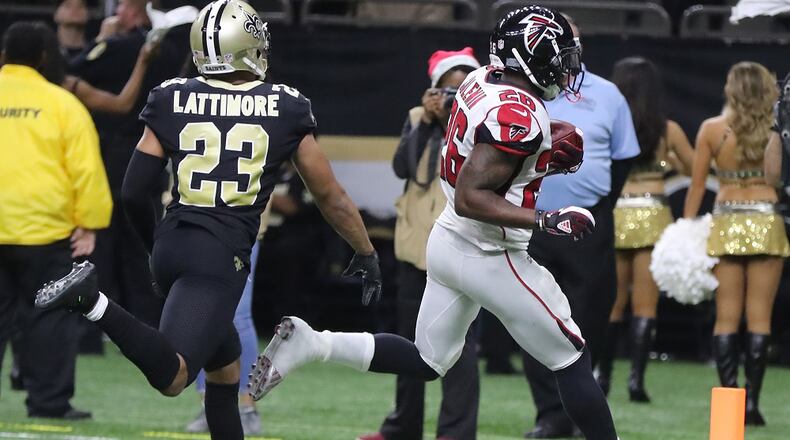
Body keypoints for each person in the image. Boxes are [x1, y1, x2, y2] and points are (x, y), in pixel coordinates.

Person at [248, 7, 619, 440]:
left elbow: (487, 157)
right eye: (556, 56)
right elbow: (471, 195)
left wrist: (540, 157)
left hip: (446, 243)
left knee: (428, 361)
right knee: (570, 355)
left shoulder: (480, 79)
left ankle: (315, 343)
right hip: (491, 252)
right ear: (528, 56)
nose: (563, 67)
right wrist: (546, 218)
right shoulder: (517, 114)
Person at [35, 2, 382, 439]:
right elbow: (331, 196)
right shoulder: (286, 105)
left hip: (173, 239)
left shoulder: (172, 95)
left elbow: (134, 191)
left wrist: (152, 247)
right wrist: (366, 251)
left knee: (224, 370)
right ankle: (93, 302)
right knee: (175, 377)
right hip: (219, 259)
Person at [520, 14, 639, 439]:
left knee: (586, 320)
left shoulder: (608, 95)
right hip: (530, 224)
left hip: (588, 226)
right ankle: (550, 415)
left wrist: (597, 204)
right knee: (533, 319)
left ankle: (581, 413)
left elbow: (625, 159)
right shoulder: (521, 91)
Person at [357, 48, 481, 440]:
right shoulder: (417, 118)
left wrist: (452, 123)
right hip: (416, 247)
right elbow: (403, 168)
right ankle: (402, 427)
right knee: (409, 343)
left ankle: (455, 434)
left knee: (460, 349)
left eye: (462, 89)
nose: (452, 97)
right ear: (432, 91)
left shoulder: (483, 121)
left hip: (461, 248)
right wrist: (427, 122)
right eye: (447, 90)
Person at [0, 21, 112, 418]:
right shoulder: (63, 104)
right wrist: (90, 221)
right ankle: (48, 404)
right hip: (44, 231)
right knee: (48, 319)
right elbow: (86, 169)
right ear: (46, 57)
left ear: (4, 55)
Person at [683, 61, 789, 426]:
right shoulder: (778, 132)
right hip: (766, 221)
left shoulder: (712, 129)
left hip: (726, 221)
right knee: (760, 317)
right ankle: (753, 405)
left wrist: (685, 229)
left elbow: (697, 186)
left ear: (731, 88)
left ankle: (730, 404)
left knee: (726, 317)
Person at [595, 56, 694, 402]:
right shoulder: (667, 130)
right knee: (646, 306)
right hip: (654, 214)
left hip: (617, 213)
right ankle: (636, 382)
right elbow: (697, 171)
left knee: (613, 302)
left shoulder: (606, 123)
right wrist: (668, 172)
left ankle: (601, 376)